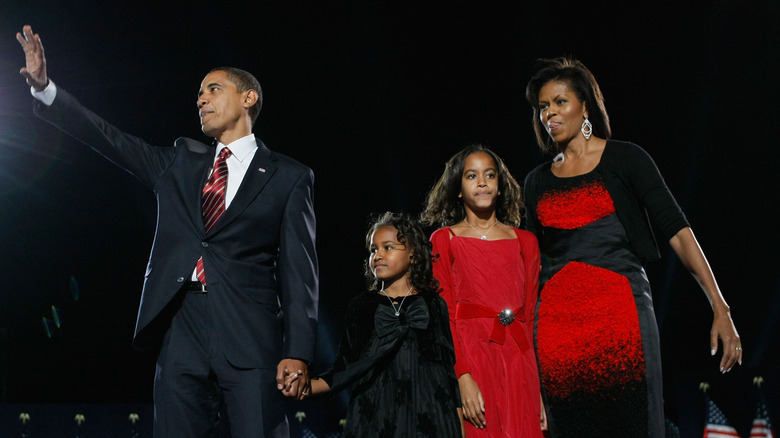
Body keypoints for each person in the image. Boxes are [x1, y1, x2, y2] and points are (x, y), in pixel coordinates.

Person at [16, 25, 318, 437]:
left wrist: (298, 352)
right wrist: (46, 90)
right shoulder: (180, 161)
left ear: (249, 98)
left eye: (213, 89)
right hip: (181, 328)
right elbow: (110, 140)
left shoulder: (289, 176)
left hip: (250, 336)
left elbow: (300, 273)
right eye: (198, 94)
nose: (201, 99)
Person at [523, 56, 742, 437]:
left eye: (560, 102)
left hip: (620, 319)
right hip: (559, 332)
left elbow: (677, 230)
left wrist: (719, 306)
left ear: (585, 105)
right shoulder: (536, 181)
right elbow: (529, 267)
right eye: (543, 106)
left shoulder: (627, 158)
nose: (550, 113)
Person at [286, 212, 461, 437]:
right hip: (376, 415)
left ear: (413, 254)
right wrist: (304, 387)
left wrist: (457, 425)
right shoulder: (361, 306)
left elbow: (448, 371)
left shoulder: (435, 304)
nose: (378, 255)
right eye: (373, 250)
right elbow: (343, 368)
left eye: (388, 247)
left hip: (431, 415)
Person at [421, 145, 545, 437]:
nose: (482, 182)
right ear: (459, 189)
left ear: (500, 186)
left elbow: (531, 315)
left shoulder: (525, 241)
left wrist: (539, 388)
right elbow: (443, 315)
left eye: (490, 175)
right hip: (473, 358)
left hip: (519, 361)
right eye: (472, 176)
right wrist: (462, 377)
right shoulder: (444, 239)